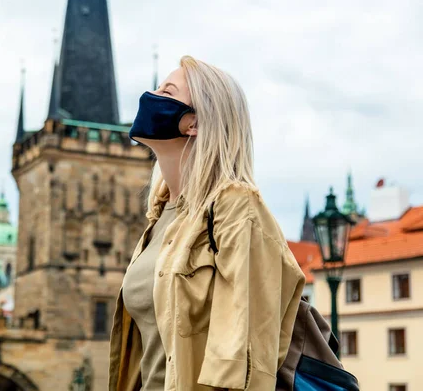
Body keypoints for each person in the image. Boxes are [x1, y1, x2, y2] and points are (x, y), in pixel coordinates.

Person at [109, 56, 305, 391]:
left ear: (193, 123)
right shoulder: (159, 216)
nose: (149, 96)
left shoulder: (235, 207)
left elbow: (247, 362)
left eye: (166, 91)